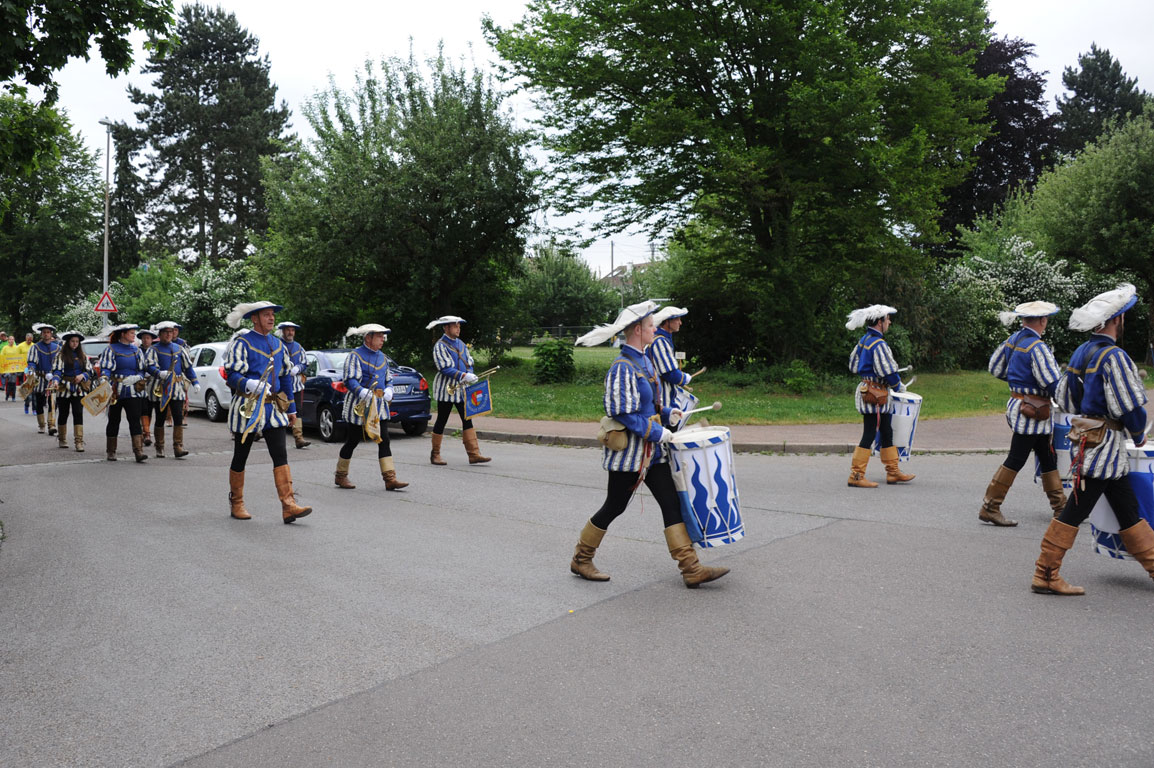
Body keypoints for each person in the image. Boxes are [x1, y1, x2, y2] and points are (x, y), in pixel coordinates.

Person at [569, 302, 730, 588]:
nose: (655, 329)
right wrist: (658, 433)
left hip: (652, 454)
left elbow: (652, 404)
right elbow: (623, 412)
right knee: (614, 506)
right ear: (637, 330)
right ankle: (581, 559)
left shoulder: (644, 361)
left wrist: (669, 413)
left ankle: (691, 568)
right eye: (651, 326)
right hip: (630, 456)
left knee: (671, 502)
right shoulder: (622, 367)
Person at [1032, 284, 1152, 596]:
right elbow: (1130, 406)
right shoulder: (1114, 356)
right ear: (1118, 320)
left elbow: (1066, 399)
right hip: (1106, 446)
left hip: (1088, 440)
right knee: (1076, 508)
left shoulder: (1081, 352)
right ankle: (1045, 574)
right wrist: (1138, 433)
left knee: (1128, 509)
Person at [222, 301, 312, 524]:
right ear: (254, 318)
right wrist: (249, 384)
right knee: (241, 455)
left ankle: (288, 505)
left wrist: (291, 408)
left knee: (280, 454)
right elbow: (231, 375)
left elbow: (284, 378)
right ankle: (237, 502)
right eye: (266, 315)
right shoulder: (242, 342)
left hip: (273, 408)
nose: (271, 319)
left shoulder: (278, 344)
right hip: (248, 406)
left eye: (272, 315)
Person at [979, 302, 1065, 526]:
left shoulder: (1012, 340)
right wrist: (1070, 401)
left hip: (1020, 407)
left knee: (1047, 457)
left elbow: (995, 368)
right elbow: (1052, 382)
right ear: (1043, 320)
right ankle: (990, 506)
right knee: (1016, 458)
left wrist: (1018, 383)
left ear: (1023, 320)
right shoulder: (1037, 347)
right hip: (1033, 412)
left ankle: (1061, 507)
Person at [845, 305, 915, 488]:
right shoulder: (879, 344)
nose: (889, 322)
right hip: (875, 396)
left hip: (871, 391)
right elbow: (888, 371)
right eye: (887, 319)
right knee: (870, 432)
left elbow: (853, 366)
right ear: (879, 322)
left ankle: (893, 472)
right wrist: (898, 385)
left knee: (886, 430)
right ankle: (856, 475)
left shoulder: (863, 340)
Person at [333, 324, 409, 491]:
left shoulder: (382, 357)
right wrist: (362, 392)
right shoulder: (355, 356)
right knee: (352, 441)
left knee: (384, 440)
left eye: (383, 336)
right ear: (368, 337)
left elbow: (388, 378)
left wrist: (389, 389)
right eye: (379, 336)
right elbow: (350, 379)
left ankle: (390, 479)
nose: (383, 339)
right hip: (359, 406)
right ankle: (340, 475)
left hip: (379, 406)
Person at [427, 315, 490, 465]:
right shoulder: (440, 345)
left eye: (459, 326)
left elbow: (469, 361)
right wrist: (463, 375)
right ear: (446, 328)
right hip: (446, 389)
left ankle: (474, 454)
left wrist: (471, 374)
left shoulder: (461, 344)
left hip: (463, 390)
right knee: (442, 420)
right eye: (455, 326)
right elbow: (444, 368)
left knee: (467, 418)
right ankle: (435, 454)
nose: (458, 329)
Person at [146, 321, 201, 459]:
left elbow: (187, 367)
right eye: (166, 332)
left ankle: (178, 446)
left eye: (171, 332)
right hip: (161, 388)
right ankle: (159, 446)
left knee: (178, 416)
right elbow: (149, 366)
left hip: (177, 388)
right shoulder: (154, 349)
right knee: (160, 417)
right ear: (160, 334)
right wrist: (159, 373)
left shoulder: (179, 348)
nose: (169, 335)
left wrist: (195, 382)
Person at [97, 323, 150, 463]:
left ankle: (138, 451)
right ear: (123, 334)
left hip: (133, 390)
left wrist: (138, 377)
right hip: (115, 390)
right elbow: (106, 368)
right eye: (131, 333)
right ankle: (111, 451)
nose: (134, 335)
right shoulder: (111, 349)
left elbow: (142, 369)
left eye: (134, 333)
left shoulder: (136, 350)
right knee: (114, 420)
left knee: (134, 419)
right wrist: (104, 379)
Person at [647, 305, 693, 427]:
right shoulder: (659, 341)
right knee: (665, 436)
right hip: (661, 398)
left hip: (666, 396)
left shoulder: (664, 339)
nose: (680, 323)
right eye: (677, 319)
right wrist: (684, 378)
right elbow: (669, 373)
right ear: (667, 322)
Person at [49, 330, 93, 451]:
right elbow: (57, 371)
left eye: (77, 342)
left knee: (78, 413)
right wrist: (56, 380)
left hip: (79, 389)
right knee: (63, 413)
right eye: (72, 341)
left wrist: (82, 376)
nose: (74, 344)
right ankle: (62, 439)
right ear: (68, 342)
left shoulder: (83, 356)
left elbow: (90, 371)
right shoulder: (61, 355)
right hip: (63, 387)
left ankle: (79, 442)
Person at [277, 321, 312, 449]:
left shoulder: (298, 347)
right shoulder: (278, 345)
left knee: (298, 410)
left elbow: (305, 363)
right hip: (280, 386)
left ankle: (299, 438)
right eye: (288, 330)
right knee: (278, 410)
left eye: (292, 330)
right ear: (283, 331)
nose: (290, 332)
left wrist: (298, 368)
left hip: (296, 385)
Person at [26, 323, 61, 436]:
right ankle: (41, 425)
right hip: (40, 378)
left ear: (51, 334)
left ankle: (51, 425)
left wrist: (56, 375)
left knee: (53, 402)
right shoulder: (35, 347)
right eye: (44, 332)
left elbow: (60, 363)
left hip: (53, 378)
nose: (46, 334)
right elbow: (31, 362)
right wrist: (31, 371)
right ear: (41, 334)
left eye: (48, 332)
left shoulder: (57, 348)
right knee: (39, 402)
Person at [137, 326, 158, 447]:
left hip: (152, 384)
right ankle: (144, 432)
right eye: (144, 338)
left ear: (151, 340)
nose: (146, 340)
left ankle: (147, 432)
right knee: (142, 408)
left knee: (149, 408)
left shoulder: (155, 351)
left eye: (148, 338)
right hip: (140, 384)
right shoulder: (137, 351)